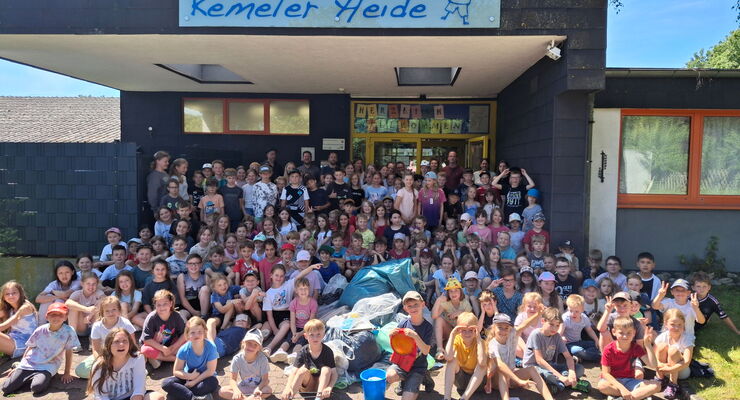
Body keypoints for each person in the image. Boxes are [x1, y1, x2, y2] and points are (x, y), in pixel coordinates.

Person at [1, 303, 78, 396]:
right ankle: (17, 367)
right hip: (31, 362)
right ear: (47, 316)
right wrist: (21, 365)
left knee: (37, 387)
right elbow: (30, 347)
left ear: (66, 317)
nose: (56, 317)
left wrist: (67, 373)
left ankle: (44, 376)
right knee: (6, 388)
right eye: (53, 314)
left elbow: (69, 352)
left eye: (60, 315)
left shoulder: (69, 331)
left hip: (49, 364)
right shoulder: (40, 330)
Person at [486, 313, 553, 400]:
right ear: (494, 327)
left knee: (532, 369)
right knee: (502, 371)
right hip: (496, 381)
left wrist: (538, 313)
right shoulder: (492, 344)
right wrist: (518, 380)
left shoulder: (511, 335)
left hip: (511, 378)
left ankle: (549, 398)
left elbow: (525, 324)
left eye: (506, 328)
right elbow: (500, 365)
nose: (503, 331)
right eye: (500, 327)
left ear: (510, 328)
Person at [87, 328, 165, 400]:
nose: (121, 344)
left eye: (125, 341)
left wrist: (137, 396)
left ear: (130, 344)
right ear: (109, 345)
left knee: (158, 397)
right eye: (116, 341)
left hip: (132, 396)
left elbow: (139, 386)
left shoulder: (137, 358)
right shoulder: (99, 365)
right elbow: (100, 395)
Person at [522, 307, 584, 395]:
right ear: (543, 321)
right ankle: (564, 383)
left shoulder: (556, 336)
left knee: (579, 369)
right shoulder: (536, 334)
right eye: (551, 324)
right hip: (533, 367)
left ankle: (559, 384)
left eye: (557, 325)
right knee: (548, 375)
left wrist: (572, 373)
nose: (554, 328)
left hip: (550, 365)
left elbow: (568, 357)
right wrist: (559, 376)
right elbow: (539, 360)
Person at [596, 316, 660, 400]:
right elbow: (606, 374)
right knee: (602, 386)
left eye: (629, 333)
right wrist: (623, 389)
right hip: (613, 381)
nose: (625, 336)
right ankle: (635, 396)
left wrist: (648, 345)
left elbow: (653, 365)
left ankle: (623, 398)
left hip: (630, 380)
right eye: (621, 333)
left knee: (657, 385)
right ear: (614, 332)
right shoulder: (609, 349)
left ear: (634, 333)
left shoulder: (636, 347)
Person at [386, 291, 434, 399]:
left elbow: (426, 351)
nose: (413, 308)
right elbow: (397, 346)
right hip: (402, 364)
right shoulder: (403, 323)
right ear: (405, 308)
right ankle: (405, 380)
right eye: (409, 306)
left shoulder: (428, 327)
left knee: (407, 398)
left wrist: (415, 336)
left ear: (423, 304)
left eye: (416, 304)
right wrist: (391, 336)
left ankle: (424, 377)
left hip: (418, 366)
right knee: (389, 376)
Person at [75, 296, 137, 379]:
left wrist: (122, 358)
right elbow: (96, 349)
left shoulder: (125, 323)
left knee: (136, 361)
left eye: (113, 310)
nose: (110, 313)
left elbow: (133, 344)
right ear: (102, 312)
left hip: (123, 353)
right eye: (107, 311)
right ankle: (113, 373)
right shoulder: (97, 326)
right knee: (81, 370)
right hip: (105, 355)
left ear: (119, 310)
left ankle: (118, 373)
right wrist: (101, 361)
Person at [162, 317, 219, 400]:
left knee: (213, 383)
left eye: (200, 332)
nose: (196, 335)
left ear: (205, 332)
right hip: (188, 376)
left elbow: (210, 371)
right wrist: (190, 376)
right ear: (187, 335)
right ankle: (192, 398)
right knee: (166, 383)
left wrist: (194, 381)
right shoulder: (183, 349)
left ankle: (181, 393)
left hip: (205, 378)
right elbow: (176, 371)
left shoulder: (211, 347)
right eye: (193, 332)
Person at [280, 319, 337, 400]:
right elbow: (294, 371)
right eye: (311, 335)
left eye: (318, 334)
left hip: (321, 386)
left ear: (323, 335)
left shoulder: (328, 351)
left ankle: (318, 398)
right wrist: (287, 387)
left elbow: (334, 373)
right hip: (306, 385)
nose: (315, 338)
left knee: (326, 369)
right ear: (306, 336)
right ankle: (290, 395)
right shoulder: (303, 351)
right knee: (302, 370)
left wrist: (329, 387)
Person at [442, 312, 486, 400]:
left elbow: (482, 362)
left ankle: (464, 398)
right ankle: (447, 397)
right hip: (461, 380)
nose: (467, 333)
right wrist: (452, 335)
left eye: (471, 330)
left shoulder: (481, 342)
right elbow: (448, 357)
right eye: (463, 330)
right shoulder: (457, 339)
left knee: (482, 367)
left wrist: (478, 339)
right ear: (458, 330)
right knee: (451, 362)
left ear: (476, 330)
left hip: (478, 383)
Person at [219, 328, 272, 400]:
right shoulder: (237, 359)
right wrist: (236, 391)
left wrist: (258, 389)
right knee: (222, 391)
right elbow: (232, 379)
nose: (251, 347)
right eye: (249, 343)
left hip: (258, 388)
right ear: (243, 343)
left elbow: (265, 380)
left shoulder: (263, 359)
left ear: (259, 348)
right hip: (244, 386)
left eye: (255, 345)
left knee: (268, 390)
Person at [140, 289, 187, 369]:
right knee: (144, 350)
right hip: (156, 346)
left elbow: (184, 334)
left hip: (171, 345)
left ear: (171, 304)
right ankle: (177, 360)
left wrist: (173, 347)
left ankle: (159, 358)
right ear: (155, 305)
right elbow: (146, 340)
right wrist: (162, 348)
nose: (162, 308)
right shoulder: (151, 318)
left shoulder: (176, 316)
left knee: (190, 340)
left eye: (165, 304)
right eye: (158, 305)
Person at [432, 278, 473, 360]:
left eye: (456, 290)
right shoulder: (446, 303)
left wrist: (460, 313)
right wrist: (438, 300)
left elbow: (470, 319)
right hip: (450, 331)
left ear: (460, 292)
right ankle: (440, 349)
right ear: (448, 293)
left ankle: (455, 347)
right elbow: (434, 316)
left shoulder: (465, 303)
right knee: (439, 320)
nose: (453, 293)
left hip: (462, 332)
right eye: (451, 291)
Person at [652, 279, 705, 343]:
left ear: (688, 293)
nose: (680, 293)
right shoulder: (669, 302)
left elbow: (701, 321)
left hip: (686, 337)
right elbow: (655, 306)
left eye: (683, 290)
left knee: (675, 352)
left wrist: (696, 309)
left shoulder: (692, 305)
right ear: (672, 292)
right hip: (667, 335)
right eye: (677, 290)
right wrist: (660, 296)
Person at [0, 281, 37, 359]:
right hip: (13, 341)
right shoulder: (10, 309)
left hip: (23, 345)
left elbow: (2, 327)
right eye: (7, 294)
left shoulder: (25, 307)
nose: (11, 296)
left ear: (20, 293)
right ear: (3, 297)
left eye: (14, 293)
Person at [560, 295, 601, 362]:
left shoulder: (584, 317)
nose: (573, 314)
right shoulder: (565, 318)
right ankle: (598, 357)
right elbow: (559, 332)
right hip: (568, 344)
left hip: (579, 341)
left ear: (582, 310)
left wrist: (596, 339)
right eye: (570, 311)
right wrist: (561, 338)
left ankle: (581, 356)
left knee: (594, 344)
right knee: (577, 350)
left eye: (576, 311)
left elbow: (589, 330)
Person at [147, 150, 170, 215]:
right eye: (165, 161)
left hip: (167, 207)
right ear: (158, 161)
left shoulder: (165, 173)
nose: (167, 163)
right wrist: (155, 209)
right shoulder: (154, 176)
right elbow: (152, 194)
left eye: (168, 161)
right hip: (160, 210)